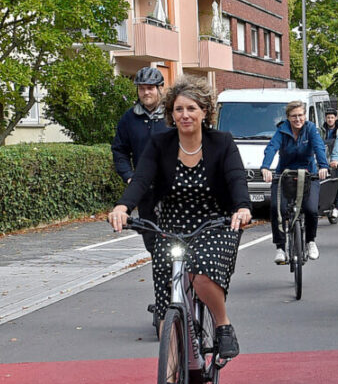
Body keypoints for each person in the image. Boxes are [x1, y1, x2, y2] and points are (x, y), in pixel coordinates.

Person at [108, 76, 252, 367]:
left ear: (204, 112)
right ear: (171, 114)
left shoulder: (221, 142)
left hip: (214, 224)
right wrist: (123, 206)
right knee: (165, 300)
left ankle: (222, 324)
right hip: (170, 225)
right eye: (178, 109)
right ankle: (170, 381)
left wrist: (242, 208)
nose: (184, 115)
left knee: (199, 274)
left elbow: (236, 179)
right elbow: (142, 178)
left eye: (191, 108)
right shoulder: (160, 143)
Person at [262, 100, 330, 264]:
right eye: (294, 116)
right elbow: (271, 147)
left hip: (308, 174)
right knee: (276, 207)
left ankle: (310, 241)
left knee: (311, 209)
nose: (298, 119)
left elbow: (319, 146)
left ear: (305, 115)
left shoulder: (310, 129)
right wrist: (265, 167)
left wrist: (323, 166)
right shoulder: (282, 130)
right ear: (288, 117)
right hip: (284, 174)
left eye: (300, 115)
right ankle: (280, 247)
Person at [111, 67, 169, 254]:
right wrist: (129, 176)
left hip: (172, 187)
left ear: (160, 88)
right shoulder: (129, 119)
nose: (146, 92)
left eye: (150, 88)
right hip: (145, 191)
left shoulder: (173, 115)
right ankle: (165, 280)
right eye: (142, 88)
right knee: (152, 241)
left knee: (178, 236)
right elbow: (119, 150)